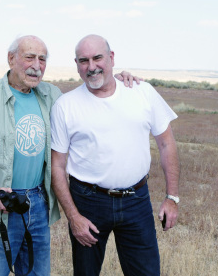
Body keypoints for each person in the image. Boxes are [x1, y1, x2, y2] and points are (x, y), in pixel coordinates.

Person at [0, 35, 137, 276]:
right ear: (11, 59)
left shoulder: (51, 95)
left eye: (42, 59)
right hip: (0, 205)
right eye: (29, 57)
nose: (36, 65)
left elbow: (85, 97)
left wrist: (113, 79)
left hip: (37, 203)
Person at [50, 34, 180, 276]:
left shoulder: (142, 92)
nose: (91, 67)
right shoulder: (65, 106)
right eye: (83, 60)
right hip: (88, 202)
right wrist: (73, 216)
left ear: (111, 58)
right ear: (76, 64)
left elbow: (166, 144)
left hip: (136, 200)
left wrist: (172, 197)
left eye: (97, 58)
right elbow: (57, 166)